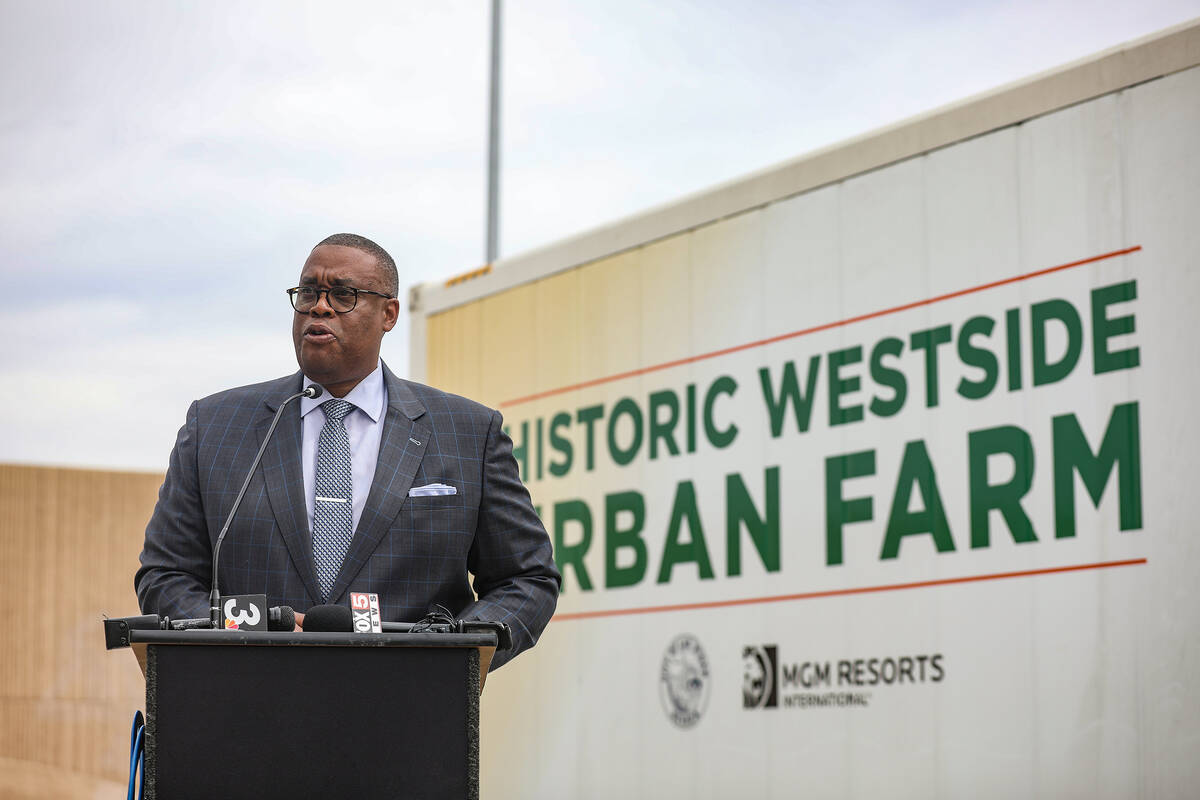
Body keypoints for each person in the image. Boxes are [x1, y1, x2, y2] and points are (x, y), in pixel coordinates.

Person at [135, 233, 560, 668]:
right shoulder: (218, 426)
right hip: (248, 702)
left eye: (342, 294)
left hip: (407, 705)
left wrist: (455, 655)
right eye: (308, 292)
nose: (320, 307)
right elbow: (165, 576)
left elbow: (526, 579)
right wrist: (240, 636)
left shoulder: (467, 432)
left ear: (388, 314)